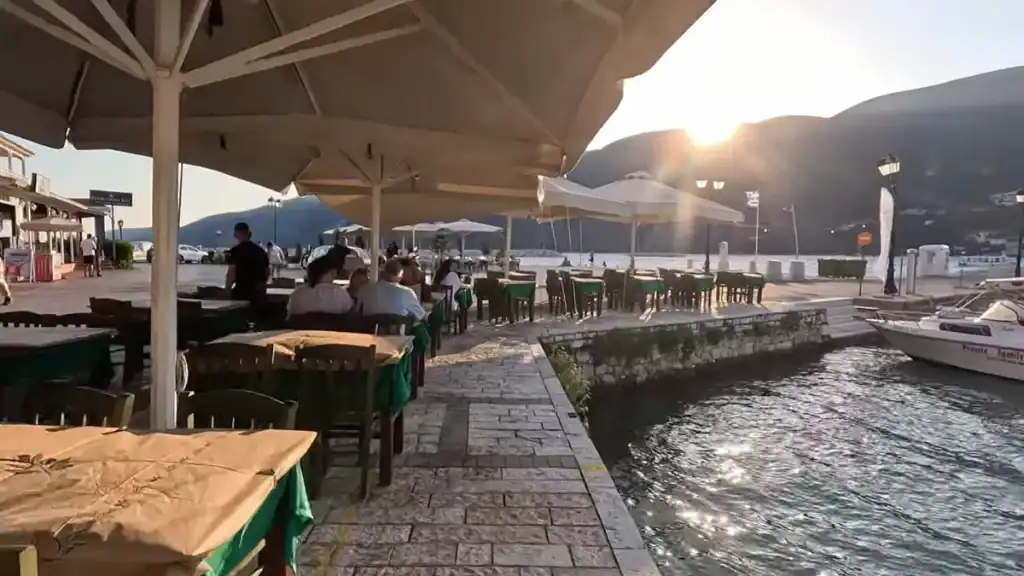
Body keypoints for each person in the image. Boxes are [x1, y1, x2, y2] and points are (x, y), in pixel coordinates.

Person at [287, 255, 353, 318]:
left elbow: (290, 316)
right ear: (332, 273)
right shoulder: (341, 295)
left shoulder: (297, 295)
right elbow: (350, 314)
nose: (335, 275)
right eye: (334, 272)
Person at [357, 259, 425, 320]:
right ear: (400, 277)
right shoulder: (406, 292)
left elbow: (357, 310)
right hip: (398, 329)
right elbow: (421, 315)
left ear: (382, 273)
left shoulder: (364, 289)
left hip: (368, 328)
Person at [225, 222, 270, 303]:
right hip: (259, 293)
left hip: (242, 292)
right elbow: (267, 271)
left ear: (235, 235)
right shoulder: (261, 251)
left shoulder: (236, 251)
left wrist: (227, 290)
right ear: (250, 234)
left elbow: (231, 273)